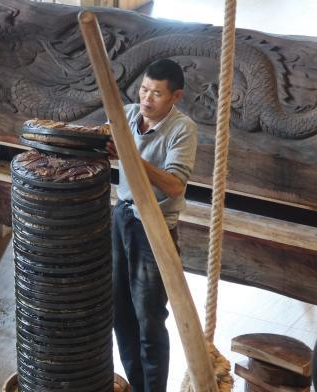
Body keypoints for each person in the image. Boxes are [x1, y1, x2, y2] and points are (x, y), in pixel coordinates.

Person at [106, 59, 198, 392]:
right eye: (144, 89)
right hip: (122, 217)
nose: (146, 99)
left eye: (156, 94)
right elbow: (103, 144)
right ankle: (137, 385)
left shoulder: (182, 129)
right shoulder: (129, 115)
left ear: (176, 97)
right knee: (119, 310)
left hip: (155, 228)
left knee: (149, 317)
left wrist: (131, 156)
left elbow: (174, 186)